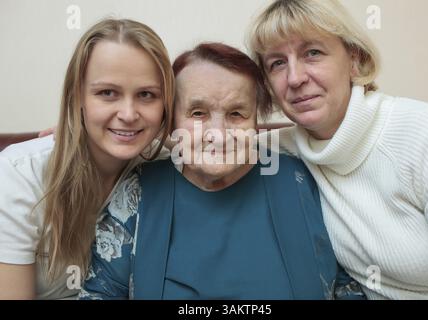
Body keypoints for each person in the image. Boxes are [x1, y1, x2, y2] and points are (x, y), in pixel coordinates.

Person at [79, 42, 365, 300]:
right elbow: (101, 293)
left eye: (236, 114)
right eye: (198, 114)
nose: (218, 134)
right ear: (170, 120)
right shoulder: (138, 191)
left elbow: (347, 285)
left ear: (256, 123)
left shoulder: (301, 179)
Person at [247, 0, 428, 299]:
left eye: (312, 53)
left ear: (354, 60)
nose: (295, 78)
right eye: (277, 63)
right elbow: (196, 145)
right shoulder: (285, 149)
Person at [0, 18, 175, 299]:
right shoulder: (19, 175)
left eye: (146, 95)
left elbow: (247, 145)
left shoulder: (166, 168)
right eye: (107, 93)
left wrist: (177, 134)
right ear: (77, 95)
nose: (128, 114)